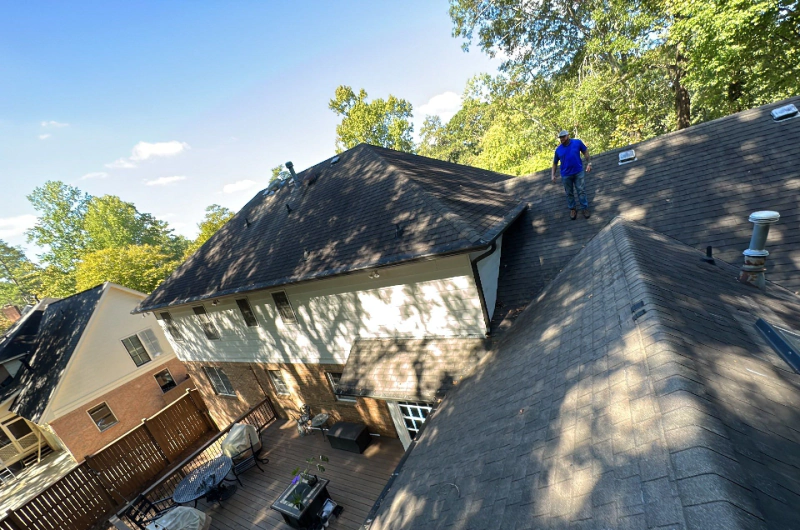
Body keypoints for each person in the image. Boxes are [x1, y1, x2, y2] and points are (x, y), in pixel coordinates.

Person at [551, 129, 592, 219]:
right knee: (569, 193)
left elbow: (585, 151)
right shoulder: (558, 150)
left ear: (567, 136)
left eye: (563, 137)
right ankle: (573, 209)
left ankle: (584, 208)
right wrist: (553, 175)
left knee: (581, 191)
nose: (562, 139)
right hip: (566, 175)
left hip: (578, 172)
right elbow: (554, 163)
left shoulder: (577, 143)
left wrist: (589, 163)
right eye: (560, 138)